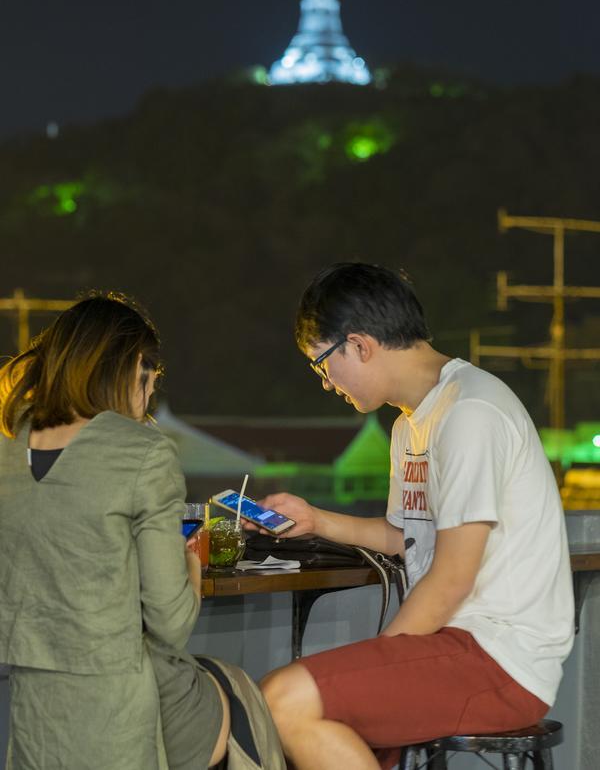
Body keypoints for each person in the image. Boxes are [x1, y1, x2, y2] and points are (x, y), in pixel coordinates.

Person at [258, 262, 575, 770]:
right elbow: (406, 536)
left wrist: (377, 665)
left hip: (498, 657)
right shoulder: (412, 424)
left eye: (322, 365)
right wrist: (316, 520)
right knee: (293, 704)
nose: (325, 383)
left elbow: (451, 577)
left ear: (358, 345)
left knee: (281, 700)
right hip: (456, 643)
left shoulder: (472, 411)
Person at [0, 294, 230, 769]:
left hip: (32, 704)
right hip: (113, 706)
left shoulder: (8, 440)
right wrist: (192, 562)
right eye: (150, 382)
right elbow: (170, 623)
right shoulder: (142, 451)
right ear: (131, 370)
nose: (149, 400)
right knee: (241, 701)